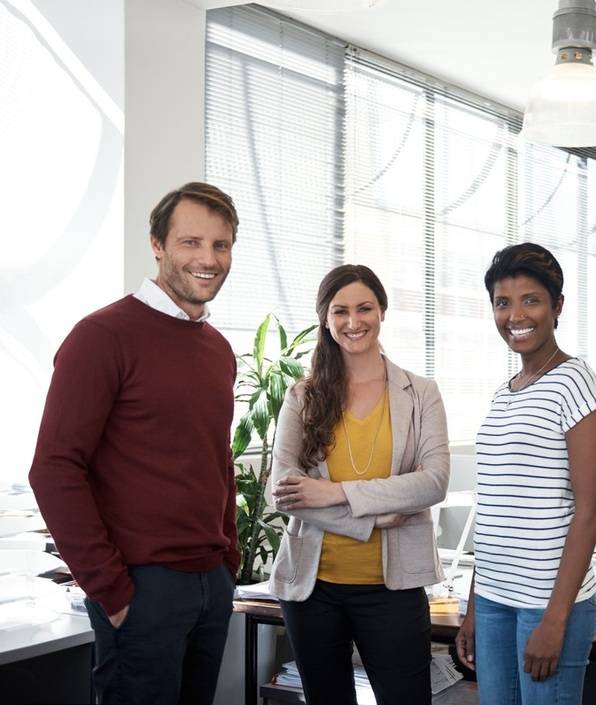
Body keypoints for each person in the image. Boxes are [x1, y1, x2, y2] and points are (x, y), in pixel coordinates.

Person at [29, 183, 241, 705]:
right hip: (141, 589)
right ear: (157, 244)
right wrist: (111, 589)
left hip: (209, 585)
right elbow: (54, 468)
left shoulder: (217, 348)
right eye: (191, 242)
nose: (208, 259)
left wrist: (227, 564)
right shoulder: (102, 336)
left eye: (221, 245)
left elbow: (216, 461)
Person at [269, 264, 450, 705]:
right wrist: (372, 521)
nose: (354, 322)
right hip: (313, 589)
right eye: (341, 311)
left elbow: (433, 482)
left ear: (382, 311)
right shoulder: (302, 396)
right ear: (326, 320)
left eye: (364, 308)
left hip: (393, 588)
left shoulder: (420, 393)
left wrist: (337, 493)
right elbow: (284, 489)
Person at [455, 243, 596, 705]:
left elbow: (589, 511)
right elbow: (496, 512)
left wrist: (556, 619)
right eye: (503, 302)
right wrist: (473, 607)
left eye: (531, 300)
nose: (515, 314)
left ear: (557, 306)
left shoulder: (575, 382)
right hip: (495, 599)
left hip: (547, 604)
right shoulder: (504, 396)